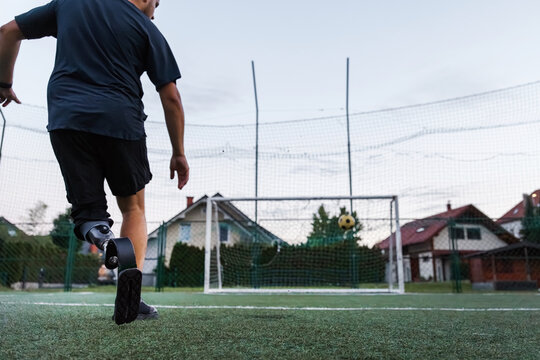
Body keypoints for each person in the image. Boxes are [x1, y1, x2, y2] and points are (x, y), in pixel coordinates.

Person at [0, 0, 189, 320]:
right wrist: (179, 152)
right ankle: (131, 296)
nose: (156, 12)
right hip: (122, 124)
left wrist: (4, 83)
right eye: (157, 4)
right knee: (133, 208)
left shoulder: (71, 4)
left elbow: (8, 31)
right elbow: (170, 97)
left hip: (67, 119)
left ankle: (102, 236)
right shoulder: (148, 30)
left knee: (89, 215)